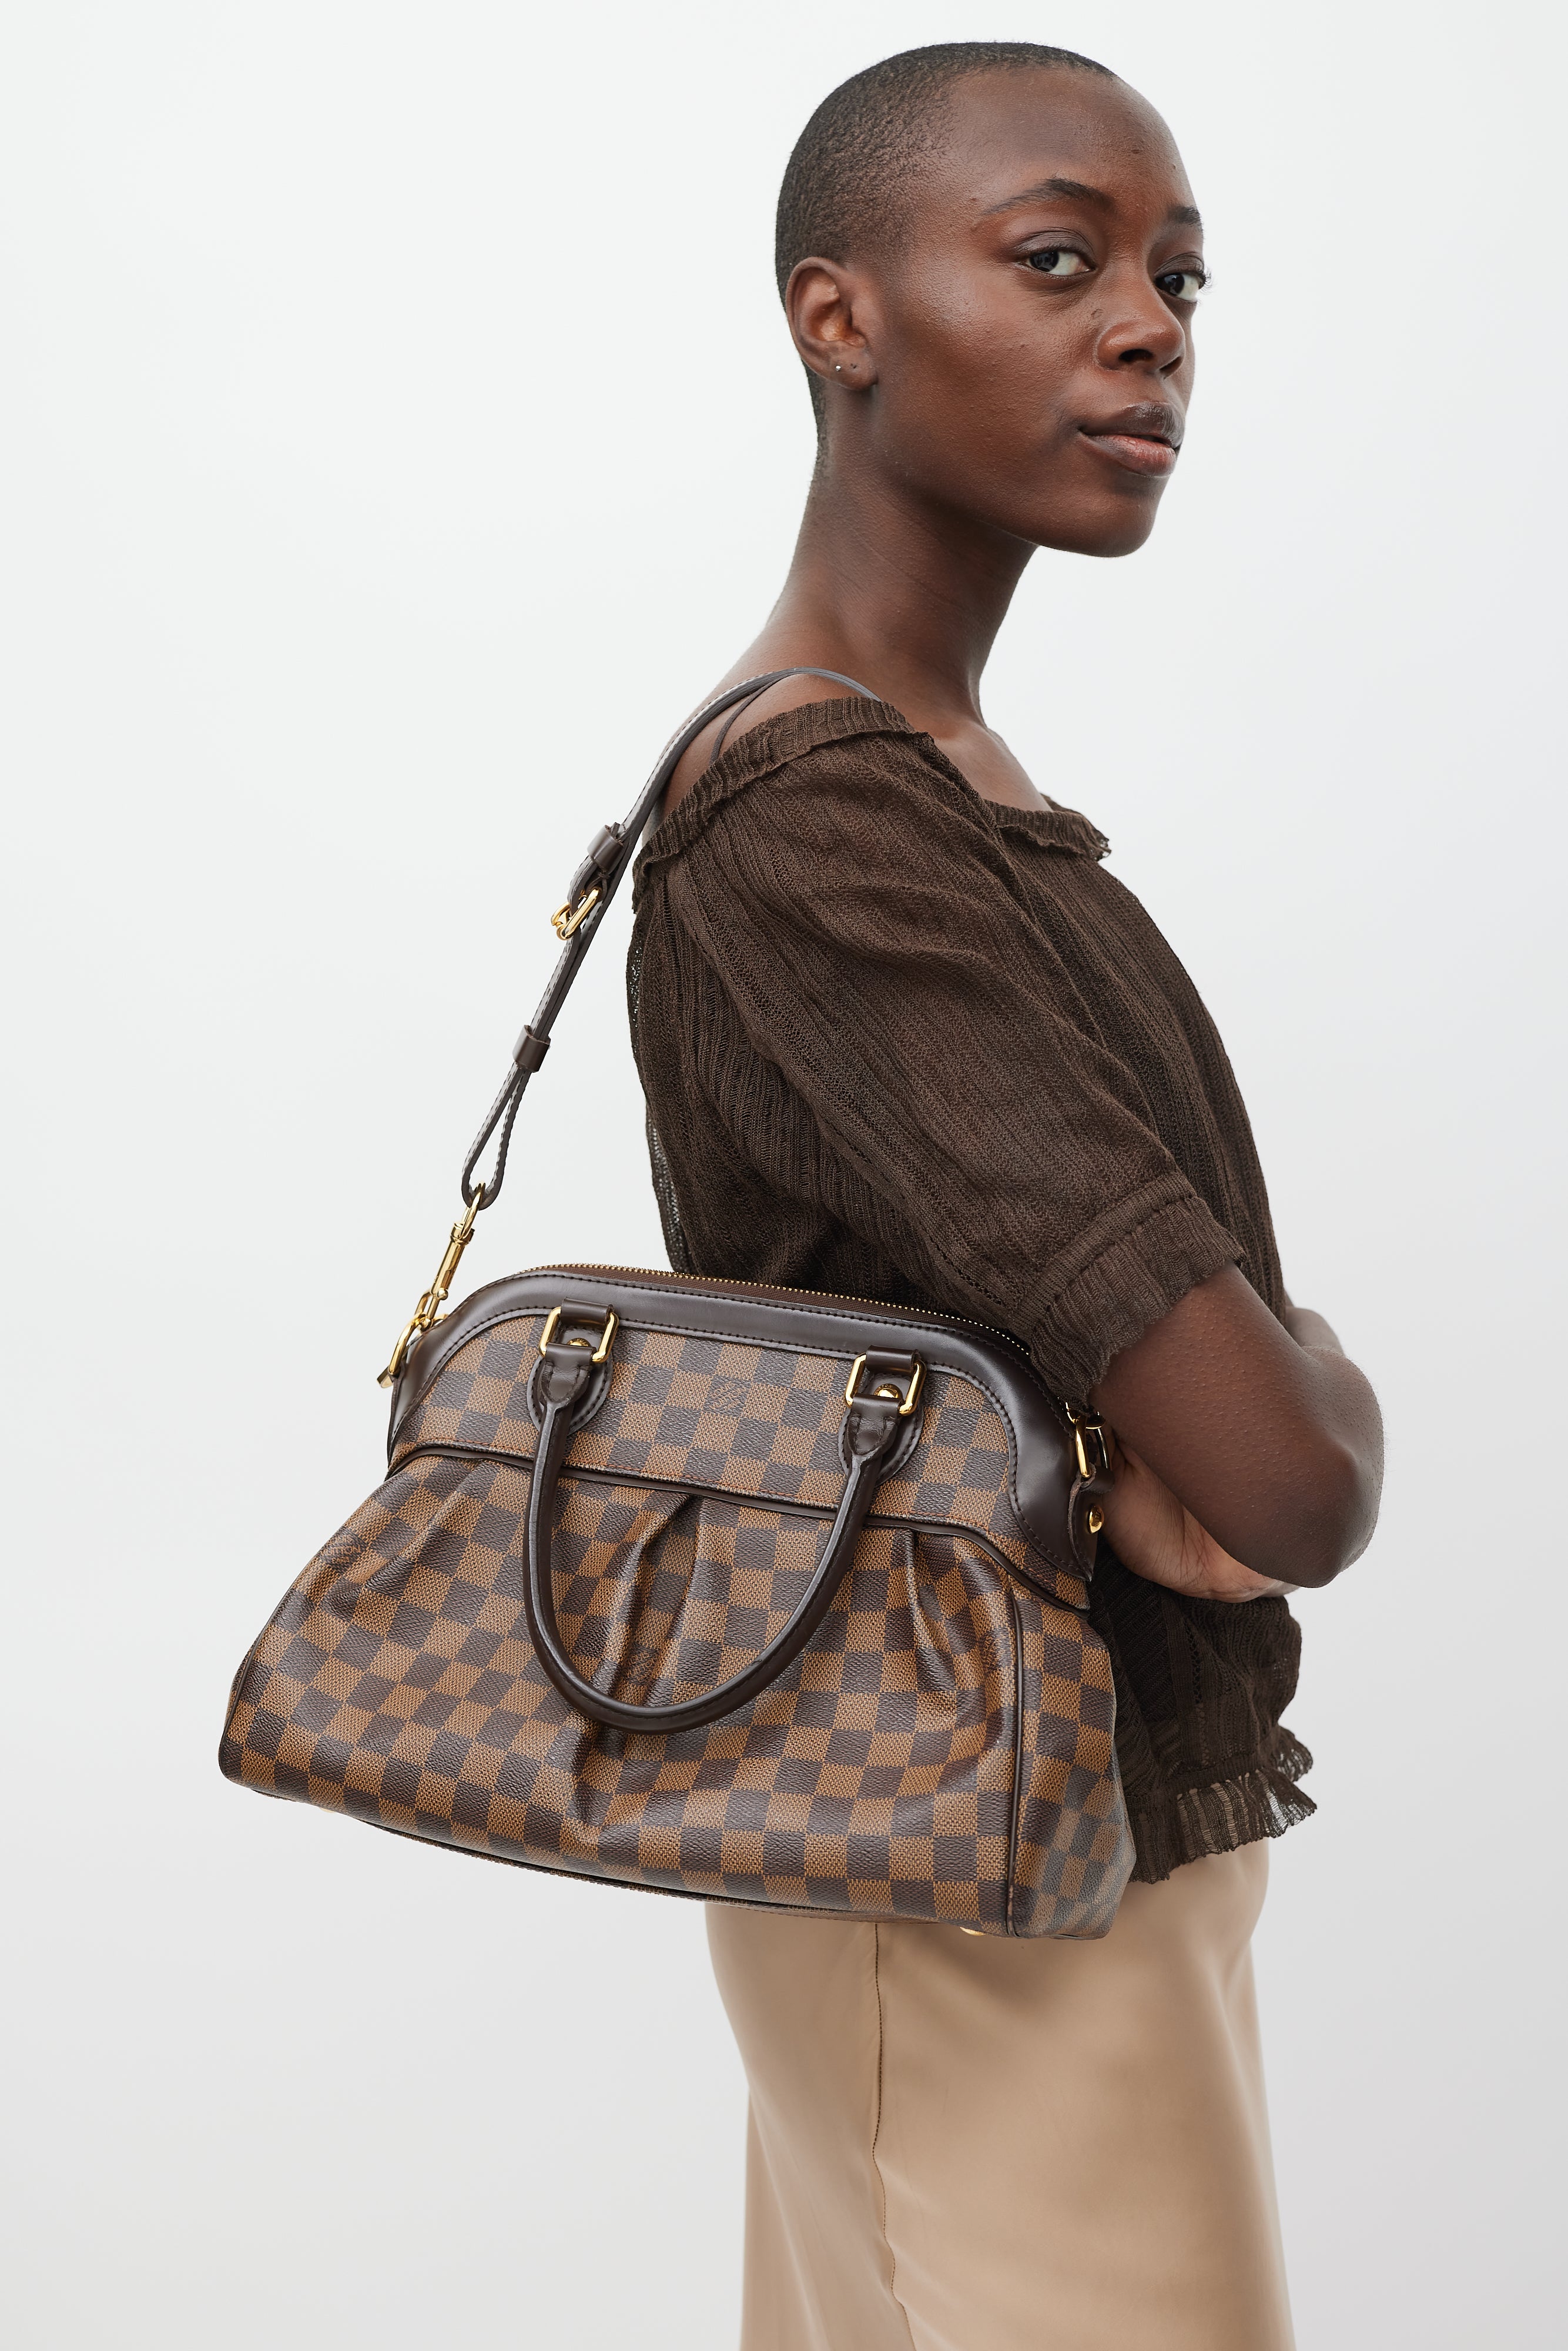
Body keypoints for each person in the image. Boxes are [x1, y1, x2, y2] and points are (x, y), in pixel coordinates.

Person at [628, 41, 1383, 2351]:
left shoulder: (941, 782)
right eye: (1058, 261)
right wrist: (1304, 1382)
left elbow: (1219, 1459)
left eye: (1178, 278)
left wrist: (1225, 1415)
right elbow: (1286, 1480)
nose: (1149, 328)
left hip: (1022, 1854)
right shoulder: (824, 817)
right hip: (979, 1894)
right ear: (833, 314)